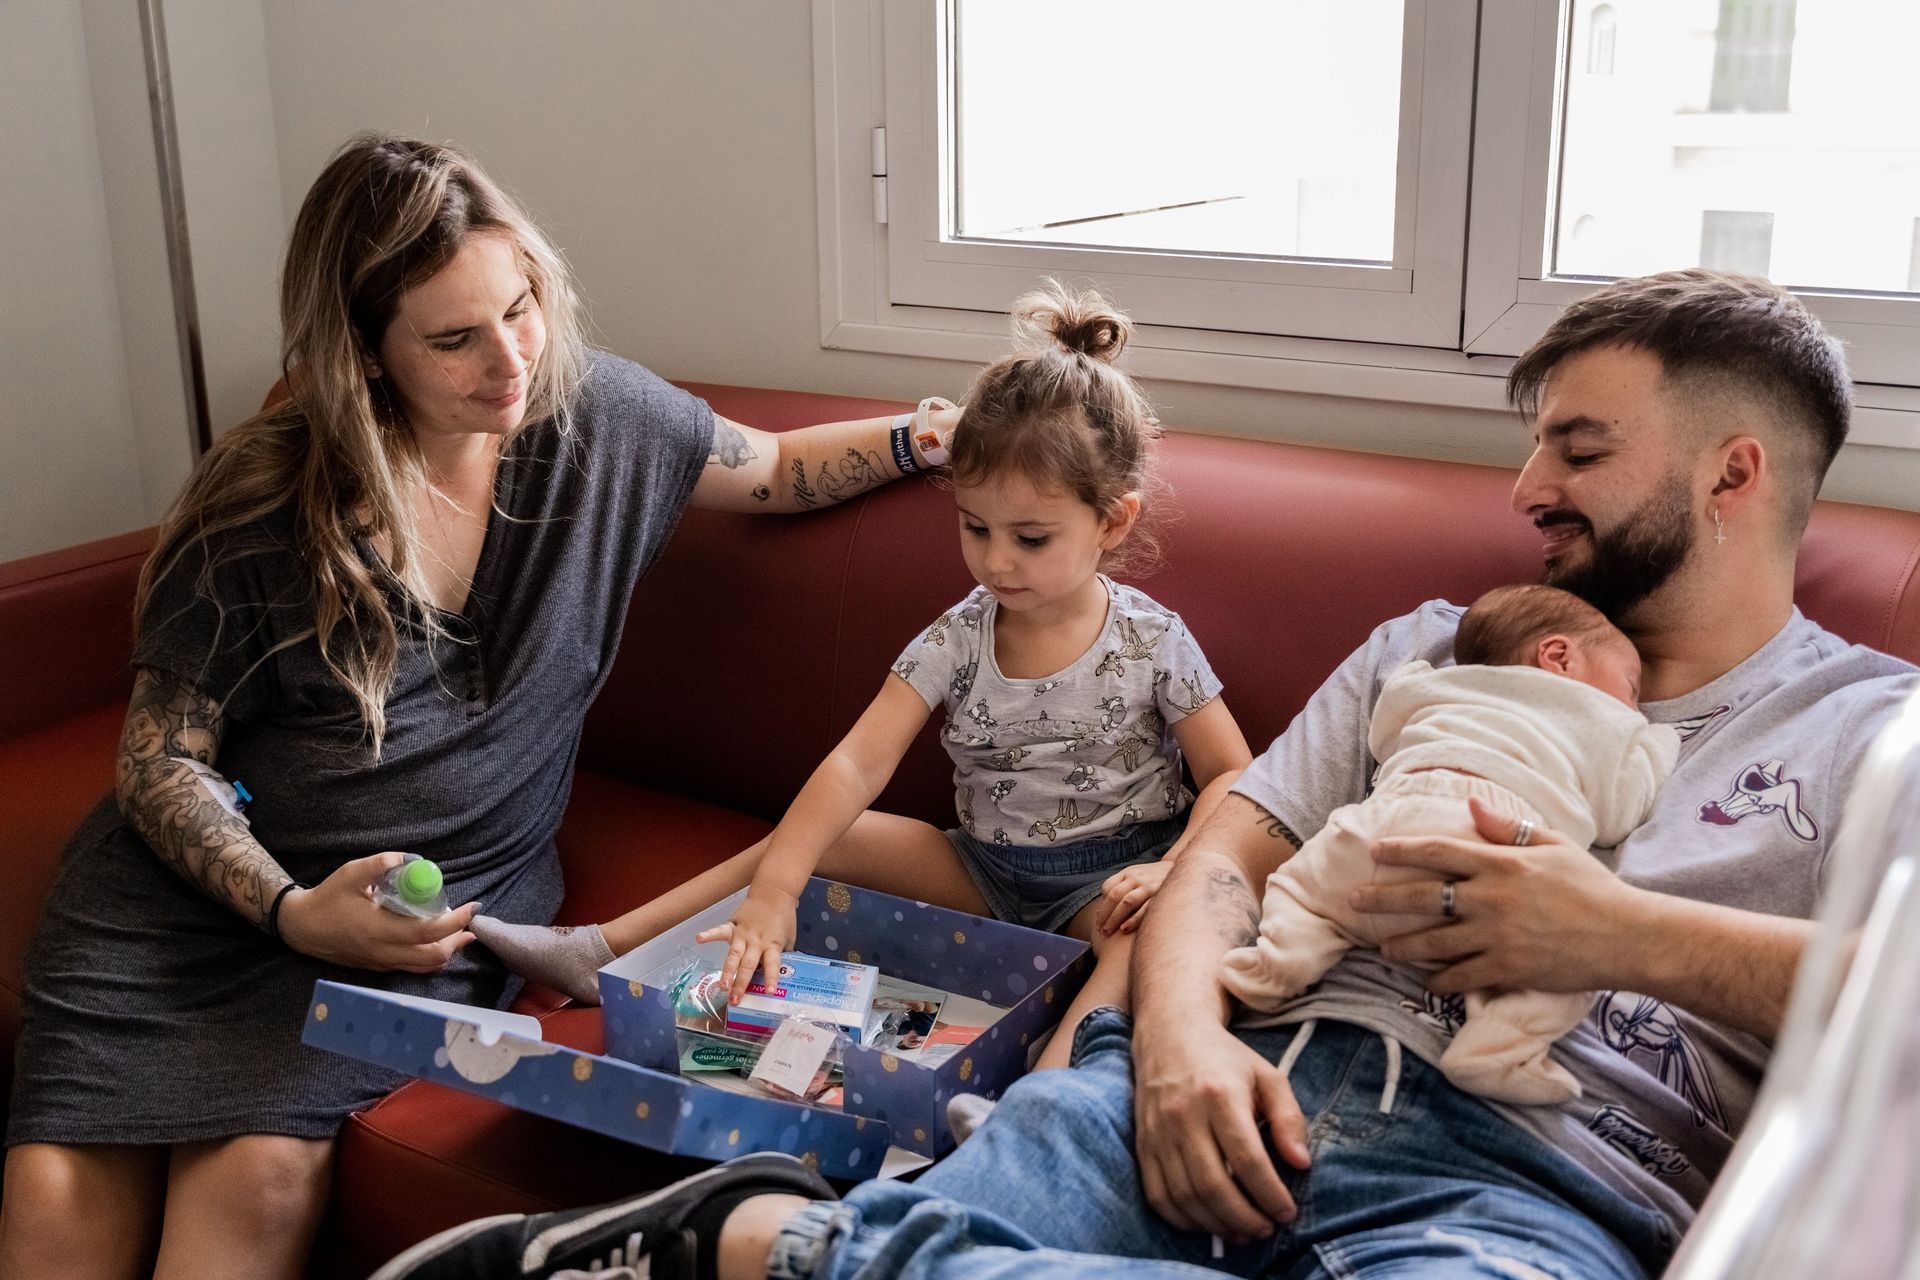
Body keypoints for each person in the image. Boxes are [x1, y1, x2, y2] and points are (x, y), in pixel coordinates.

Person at [374, 268, 1917, 1280]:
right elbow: (1229, 846)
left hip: (1529, 1182)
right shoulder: (1436, 642)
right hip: (1224, 1073)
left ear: (1732, 472)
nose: (1526, 487)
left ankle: (776, 1247)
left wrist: (1617, 934)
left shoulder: (1872, 730)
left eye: (1577, 450)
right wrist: (1170, 1044)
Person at [0, 134, 968, 1280]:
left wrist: (932, 436)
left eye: (521, 308)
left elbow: (773, 467)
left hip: (420, 914)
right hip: (204, 902)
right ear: (365, 354)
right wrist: (293, 911)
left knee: (258, 1173)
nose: (511, 360)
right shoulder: (264, 502)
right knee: (55, 1190)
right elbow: (161, 761)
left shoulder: (596, 420)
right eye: (455, 338)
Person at [477, 283, 1253, 1072]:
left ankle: (1041, 1097)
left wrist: (1170, 869)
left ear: (1112, 522)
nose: (995, 561)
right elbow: (855, 765)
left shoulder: (1150, 637)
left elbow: (1231, 773)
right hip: (984, 871)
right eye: (975, 527)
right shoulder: (959, 634)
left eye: (1030, 538)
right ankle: (604, 949)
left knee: (1141, 940)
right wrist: (776, 891)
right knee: (836, 833)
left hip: (1112, 883)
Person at [1222, 584, 1678, 1105]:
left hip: (1381, 826)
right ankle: (1496, 1049)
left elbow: (1383, 736)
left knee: (1301, 888)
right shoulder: (1602, 719)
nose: (1635, 704)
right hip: (1491, 850)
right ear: (1559, 657)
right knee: (1569, 961)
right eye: (1631, 687)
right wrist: (1656, 742)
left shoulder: (1429, 683)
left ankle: (1278, 963)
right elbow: (1618, 814)